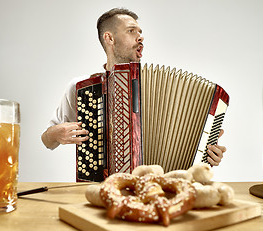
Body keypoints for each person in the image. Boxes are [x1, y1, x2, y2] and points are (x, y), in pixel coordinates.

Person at [41, 8, 226, 166]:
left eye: (140, 31)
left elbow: (186, 145)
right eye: (132, 31)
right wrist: (57, 134)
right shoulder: (82, 88)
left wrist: (208, 153)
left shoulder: (162, 89)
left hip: (162, 191)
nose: (141, 37)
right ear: (109, 38)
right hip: (106, 190)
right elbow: (47, 140)